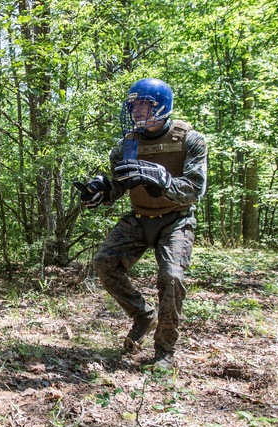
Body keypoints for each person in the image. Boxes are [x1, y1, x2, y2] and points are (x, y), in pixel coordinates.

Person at [77, 78, 207, 369]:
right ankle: (142, 314)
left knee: (171, 278)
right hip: (139, 217)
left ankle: (164, 352)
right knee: (104, 262)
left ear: (162, 106)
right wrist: (99, 192)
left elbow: (195, 188)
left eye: (144, 105)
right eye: (133, 106)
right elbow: (118, 187)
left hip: (176, 219)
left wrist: (164, 181)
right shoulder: (126, 145)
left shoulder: (189, 139)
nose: (137, 112)